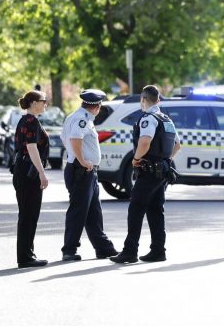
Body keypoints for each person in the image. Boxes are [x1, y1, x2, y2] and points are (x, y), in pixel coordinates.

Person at [111, 85, 181, 264]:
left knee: (136, 208)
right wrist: (166, 161)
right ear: (158, 100)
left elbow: (145, 141)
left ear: (143, 99)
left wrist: (136, 159)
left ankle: (129, 251)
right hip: (162, 172)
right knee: (156, 210)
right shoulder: (167, 119)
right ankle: (158, 250)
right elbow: (177, 146)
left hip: (148, 171)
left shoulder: (148, 119)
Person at [60, 89, 118, 261]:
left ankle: (103, 248)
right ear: (97, 107)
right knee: (78, 211)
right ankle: (69, 250)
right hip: (81, 170)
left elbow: (66, 139)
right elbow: (75, 140)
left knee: (94, 211)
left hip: (86, 171)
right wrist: (83, 160)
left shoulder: (74, 117)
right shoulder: (82, 120)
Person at [12, 90, 51, 268]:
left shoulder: (25, 120)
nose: (45, 104)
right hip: (29, 171)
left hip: (23, 169)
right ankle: (26, 257)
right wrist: (42, 173)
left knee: (27, 214)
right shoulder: (31, 121)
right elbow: (32, 148)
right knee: (29, 214)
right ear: (34, 103)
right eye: (43, 101)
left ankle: (27, 254)